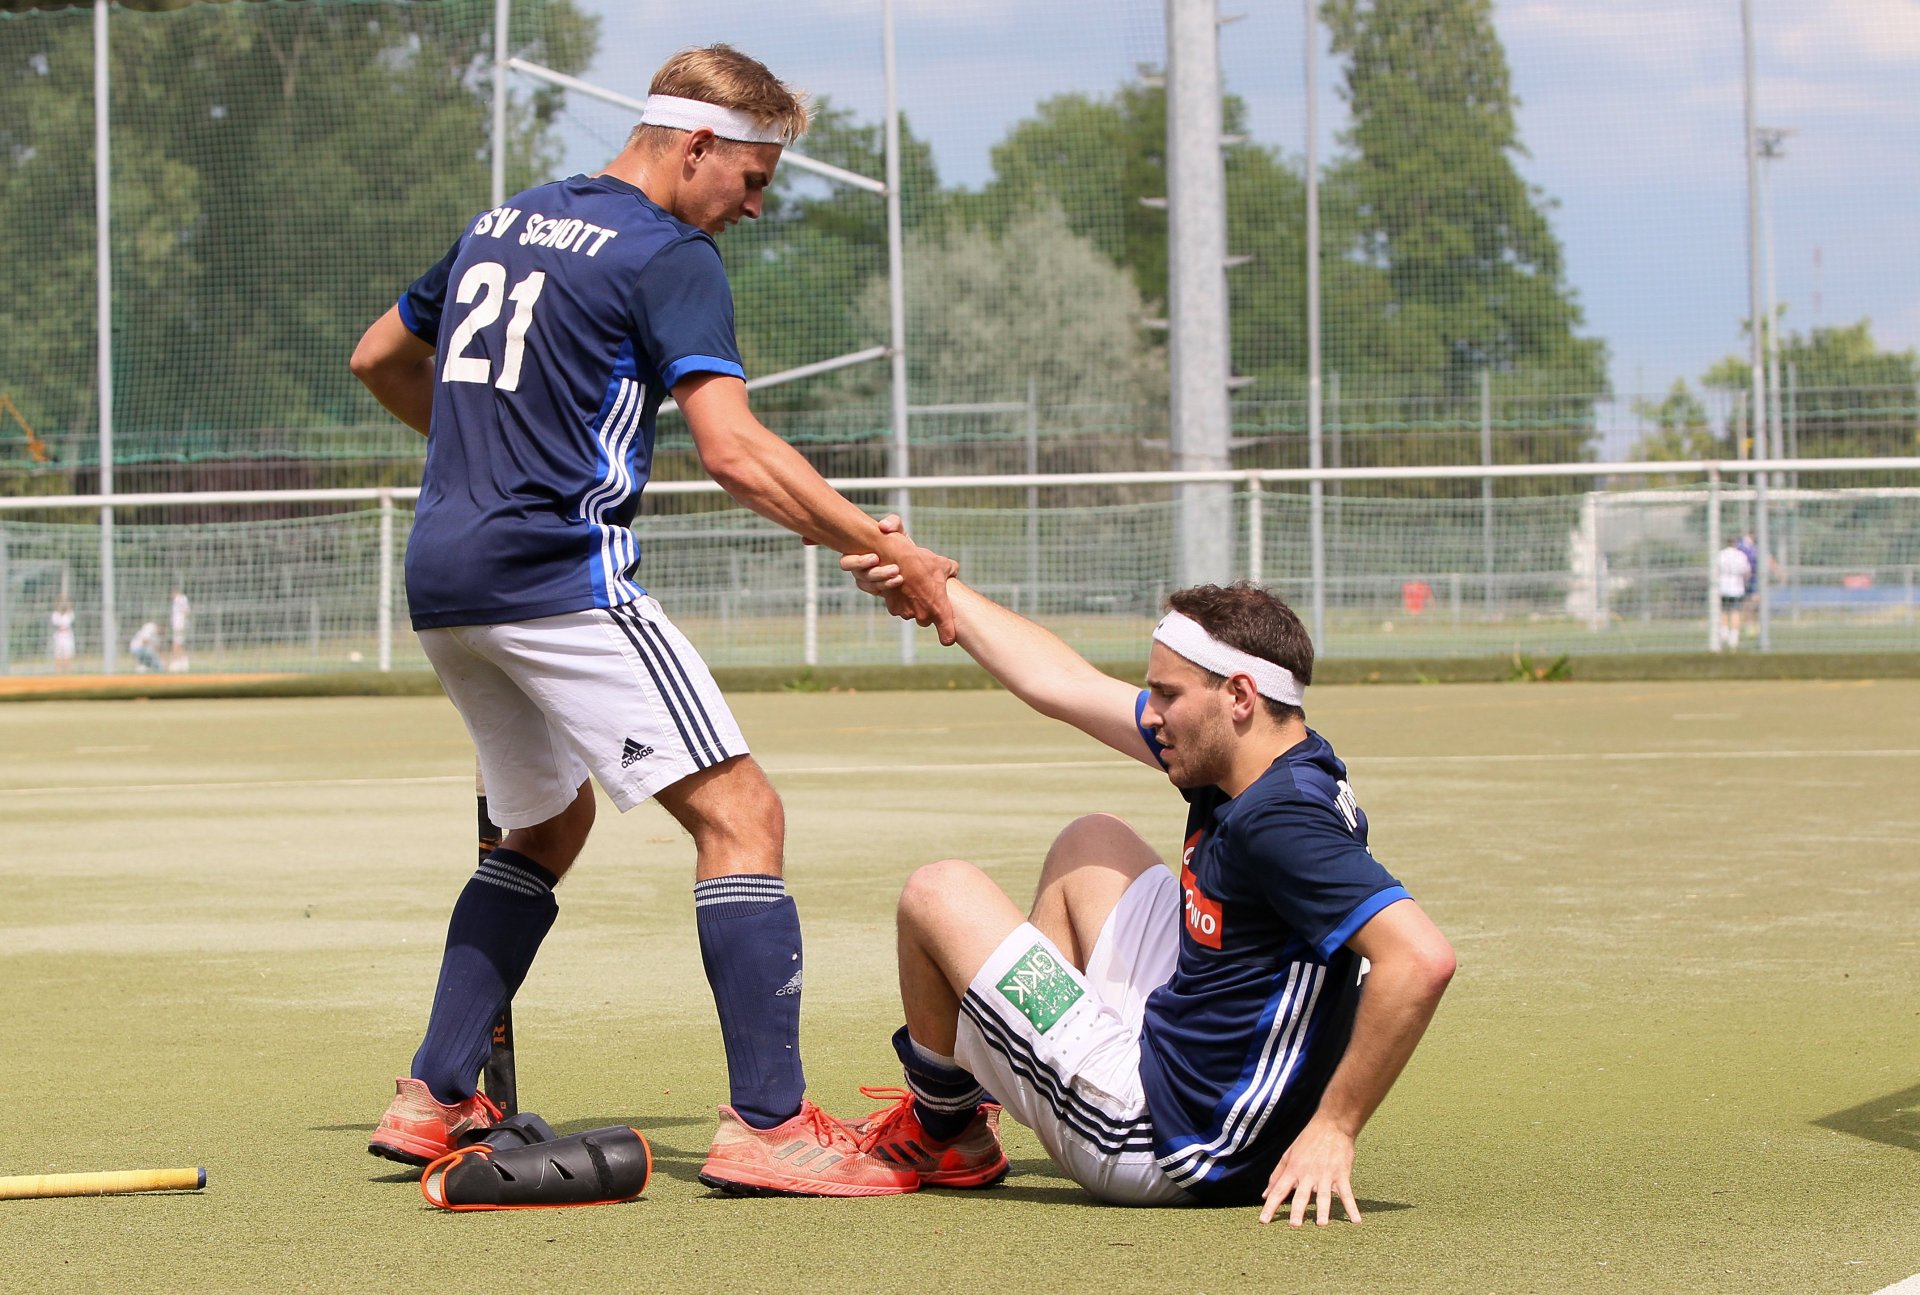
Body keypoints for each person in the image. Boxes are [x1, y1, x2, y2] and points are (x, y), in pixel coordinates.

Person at [347, 44, 956, 1197]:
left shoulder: (504, 220)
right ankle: (770, 1124)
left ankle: (433, 1093)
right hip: (554, 577)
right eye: (758, 176)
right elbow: (735, 449)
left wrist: (482, 452)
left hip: (444, 581)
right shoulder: (670, 254)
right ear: (697, 145)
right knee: (740, 812)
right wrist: (888, 552)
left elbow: (378, 356)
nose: (759, 204)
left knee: (543, 826)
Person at [841, 551, 1455, 1224]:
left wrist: (1334, 1127)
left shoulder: (1277, 822)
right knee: (1092, 842)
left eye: (1167, 694)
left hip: (1163, 1140)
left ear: (1240, 696)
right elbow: (1062, 682)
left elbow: (1420, 957)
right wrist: (939, 589)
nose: (1151, 712)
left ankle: (944, 1129)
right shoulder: (1271, 755)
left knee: (939, 892)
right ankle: (1030, 1066)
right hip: (1217, 1080)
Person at [1715, 537, 1752, 651]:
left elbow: (1716, 570)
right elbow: (1747, 572)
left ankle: (1724, 633)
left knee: (1724, 611)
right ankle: (1733, 638)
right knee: (1735, 612)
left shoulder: (1721, 554)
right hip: (1737, 587)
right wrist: (1745, 582)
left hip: (1723, 587)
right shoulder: (1740, 555)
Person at [49, 595, 75, 673]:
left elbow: (70, 608)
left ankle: (68, 670)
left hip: (67, 635)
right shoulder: (55, 614)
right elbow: (56, 623)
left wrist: (66, 599)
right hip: (59, 635)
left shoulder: (69, 614)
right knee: (58, 653)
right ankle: (58, 670)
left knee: (68, 653)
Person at [167, 586, 190, 673]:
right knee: (179, 644)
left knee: (176, 644)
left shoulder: (181, 599)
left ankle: (178, 662)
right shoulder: (178, 600)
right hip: (178, 625)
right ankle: (182, 661)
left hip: (180, 625)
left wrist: (182, 623)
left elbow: (186, 611)